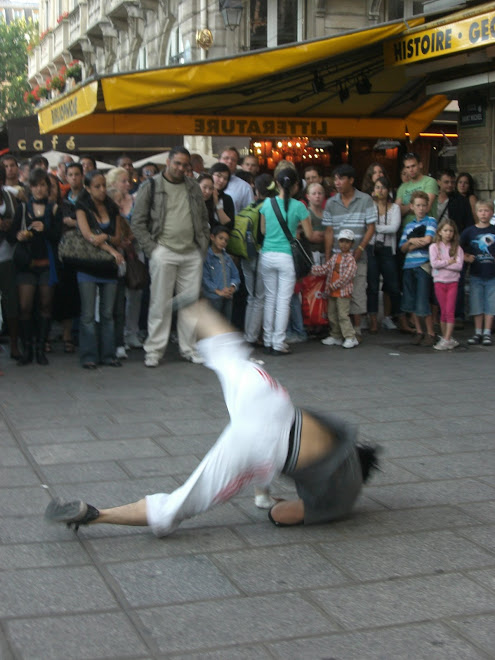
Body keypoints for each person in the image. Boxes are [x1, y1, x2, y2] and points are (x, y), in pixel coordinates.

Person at [44, 299, 379, 534]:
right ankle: (95, 515)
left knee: (230, 355)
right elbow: (281, 515)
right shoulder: (340, 501)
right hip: (259, 446)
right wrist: (279, 503)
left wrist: (266, 492)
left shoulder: (345, 440)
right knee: (179, 505)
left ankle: (194, 305)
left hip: (272, 400)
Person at [131, 146, 210, 367]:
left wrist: (202, 245)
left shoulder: (193, 186)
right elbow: (137, 222)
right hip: (163, 250)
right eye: (177, 163)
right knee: (160, 302)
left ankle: (189, 348)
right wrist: (152, 249)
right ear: (168, 162)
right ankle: (154, 350)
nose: (181, 168)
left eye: (185, 165)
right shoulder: (151, 185)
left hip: (191, 251)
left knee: (190, 303)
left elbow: (203, 218)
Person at [10, 168, 62, 366]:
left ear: (48, 188)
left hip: (47, 264)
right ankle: (27, 349)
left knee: (46, 306)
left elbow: (58, 236)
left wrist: (45, 229)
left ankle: (41, 348)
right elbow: (11, 235)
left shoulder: (54, 208)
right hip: (27, 264)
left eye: (43, 185)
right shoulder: (23, 209)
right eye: (35, 185)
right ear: (30, 187)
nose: (39, 189)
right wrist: (19, 236)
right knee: (25, 307)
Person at [75, 170, 125, 369]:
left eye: (104, 185)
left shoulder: (112, 208)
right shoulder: (81, 207)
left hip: (108, 267)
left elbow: (118, 237)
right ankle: (88, 355)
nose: (102, 190)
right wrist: (108, 244)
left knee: (107, 313)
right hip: (87, 264)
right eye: (97, 186)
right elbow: (89, 236)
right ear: (87, 188)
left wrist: (105, 239)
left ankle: (108, 354)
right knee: (87, 314)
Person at [260, 167, 311, 355]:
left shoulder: (267, 203)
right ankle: (278, 343)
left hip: (266, 255)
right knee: (283, 301)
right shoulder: (299, 207)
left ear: (277, 183)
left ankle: (267, 340)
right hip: (286, 257)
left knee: (270, 299)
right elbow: (309, 234)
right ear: (296, 185)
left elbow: (263, 231)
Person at [323, 164, 375, 338]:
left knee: (358, 291)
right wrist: (328, 256)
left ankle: (357, 329)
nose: (337, 183)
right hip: (338, 258)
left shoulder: (365, 199)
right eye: (335, 179)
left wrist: (360, 248)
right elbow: (329, 231)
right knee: (337, 294)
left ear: (351, 180)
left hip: (358, 256)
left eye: (341, 178)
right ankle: (339, 331)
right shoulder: (331, 202)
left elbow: (371, 227)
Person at [398, 190, 437, 346]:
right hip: (409, 265)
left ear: (427, 206)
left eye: (423, 205)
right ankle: (419, 331)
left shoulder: (431, 221)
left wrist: (411, 243)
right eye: (418, 205)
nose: (421, 208)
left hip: (423, 265)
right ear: (412, 207)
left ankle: (431, 333)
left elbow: (428, 239)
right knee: (411, 299)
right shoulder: (409, 225)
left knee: (422, 299)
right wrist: (412, 243)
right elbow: (402, 247)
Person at [241, 173, 276, 346]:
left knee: (252, 297)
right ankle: (252, 336)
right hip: (261, 254)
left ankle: (249, 333)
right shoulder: (269, 207)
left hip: (246, 255)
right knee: (260, 298)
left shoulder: (251, 205)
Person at [53, 162, 83, 354]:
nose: (73, 178)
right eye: (70, 174)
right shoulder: (63, 201)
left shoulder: (88, 198)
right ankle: (69, 333)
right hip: (67, 252)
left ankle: (82, 332)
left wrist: (75, 222)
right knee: (70, 293)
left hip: (86, 251)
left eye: (76, 174)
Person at [312, 229, 358, 348]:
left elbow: (346, 277)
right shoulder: (335, 257)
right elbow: (325, 268)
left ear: (352, 244)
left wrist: (333, 285)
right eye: (342, 241)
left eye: (347, 242)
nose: (344, 244)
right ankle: (336, 335)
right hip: (332, 293)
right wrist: (313, 269)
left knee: (343, 315)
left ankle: (350, 336)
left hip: (343, 293)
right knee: (332, 315)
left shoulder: (351, 260)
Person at [367, 176, 402, 333]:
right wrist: (376, 227)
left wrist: (375, 228)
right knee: (373, 286)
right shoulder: (370, 207)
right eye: (377, 187)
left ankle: (397, 317)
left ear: (388, 190)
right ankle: (373, 319)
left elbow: (394, 228)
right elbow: (366, 226)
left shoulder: (394, 208)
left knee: (393, 285)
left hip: (388, 249)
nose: (380, 190)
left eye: (383, 187)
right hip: (372, 248)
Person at [460, 200, 495, 346]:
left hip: (492, 274)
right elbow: (459, 248)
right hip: (475, 273)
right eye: (480, 211)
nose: (483, 214)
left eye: (487, 211)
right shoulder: (470, 231)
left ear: (492, 213)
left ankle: (487, 332)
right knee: (476, 303)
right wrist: (466, 257)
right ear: (476, 212)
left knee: (491, 304)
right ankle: (477, 332)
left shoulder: (494, 230)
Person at [429, 219, 464, 350]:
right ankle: (445, 337)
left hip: (452, 282)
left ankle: (448, 338)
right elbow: (434, 264)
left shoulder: (457, 248)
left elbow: (459, 266)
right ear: (440, 232)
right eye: (445, 230)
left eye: (451, 231)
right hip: (439, 281)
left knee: (450, 310)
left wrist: (443, 262)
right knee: (443, 311)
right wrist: (449, 262)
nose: (448, 233)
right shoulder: (434, 247)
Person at [0, 162, 21, 360]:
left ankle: (14, 343)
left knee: (11, 301)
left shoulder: (9, 194)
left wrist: (9, 225)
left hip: (7, 255)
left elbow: (18, 219)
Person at [202, 225, 240, 320]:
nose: (223, 242)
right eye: (221, 238)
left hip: (227, 298)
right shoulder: (206, 257)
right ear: (212, 237)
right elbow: (205, 279)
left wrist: (232, 287)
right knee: (213, 324)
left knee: (226, 324)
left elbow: (235, 275)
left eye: (226, 240)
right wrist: (218, 291)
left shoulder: (227, 258)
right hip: (212, 299)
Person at [395, 153, 438, 231]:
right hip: (406, 231)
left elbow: (426, 208)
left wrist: (406, 207)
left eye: (413, 166)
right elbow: (397, 212)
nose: (411, 170)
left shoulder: (430, 181)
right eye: (408, 167)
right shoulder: (403, 187)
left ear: (420, 165)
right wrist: (417, 206)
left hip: (427, 230)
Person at [219, 147, 254, 214]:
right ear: (219, 160)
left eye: (233, 160)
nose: (229, 161)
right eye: (226, 158)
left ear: (236, 164)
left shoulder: (244, 187)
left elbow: (250, 214)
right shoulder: (208, 182)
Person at [209, 163, 235, 231]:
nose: (222, 180)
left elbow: (229, 225)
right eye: (218, 176)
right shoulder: (202, 195)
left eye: (225, 178)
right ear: (211, 175)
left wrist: (217, 203)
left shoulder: (227, 199)